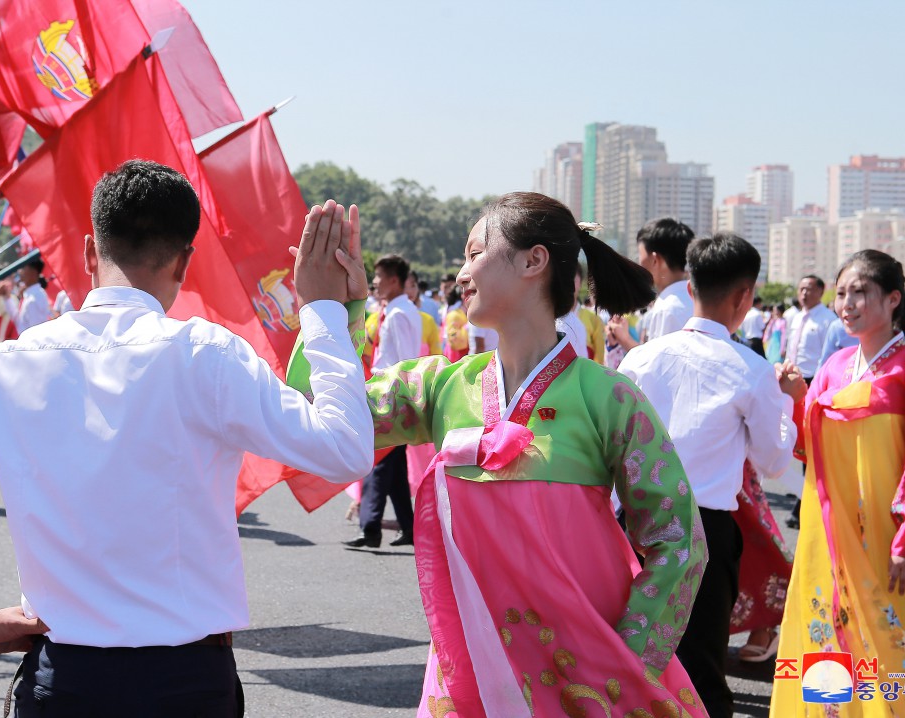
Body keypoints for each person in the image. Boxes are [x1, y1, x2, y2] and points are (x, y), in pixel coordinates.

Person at [0, 161, 373, 717]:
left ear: (90, 253)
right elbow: (344, 449)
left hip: (64, 677)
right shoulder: (209, 355)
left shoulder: (0, 367)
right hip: (185, 680)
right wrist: (323, 311)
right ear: (184, 261)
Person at [289, 192, 710, 717]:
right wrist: (334, 311)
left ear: (533, 261)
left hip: (587, 679)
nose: (460, 273)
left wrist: (624, 662)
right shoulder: (442, 387)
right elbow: (321, 412)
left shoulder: (608, 397)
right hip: (473, 674)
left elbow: (678, 541)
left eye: (473, 253)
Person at [619, 233, 803, 718]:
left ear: (692, 284)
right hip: (704, 527)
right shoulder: (751, 369)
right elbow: (774, 462)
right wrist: (787, 400)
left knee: (628, 653)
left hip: (635, 518)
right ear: (745, 296)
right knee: (700, 665)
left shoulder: (641, 357)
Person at [770, 250, 905, 717]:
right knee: (834, 632)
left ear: (894, 298)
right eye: (842, 294)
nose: (847, 304)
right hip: (836, 535)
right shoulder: (834, 367)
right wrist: (800, 400)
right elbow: (810, 450)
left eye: (860, 292)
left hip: (893, 534)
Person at [345, 254, 422, 549]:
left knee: (377, 460)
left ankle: (371, 526)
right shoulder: (397, 310)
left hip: (391, 393)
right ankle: (408, 525)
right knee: (393, 465)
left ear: (393, 280)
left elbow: (405, 360)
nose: (375, 282)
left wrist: (399, 398)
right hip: (389, 389)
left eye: (378, 277)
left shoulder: (400, 314)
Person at [785, 276, 837, 528]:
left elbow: (829, 359)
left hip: (812, 383)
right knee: (788, 441)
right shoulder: (793, 316)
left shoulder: (828, 320)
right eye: (801, 287)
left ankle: (804, 506)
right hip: (789, 380)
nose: (804, 293)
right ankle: (799, 498)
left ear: (821, 291)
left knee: (809, 445)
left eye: (810, 288)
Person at [635, 217, 695, 340]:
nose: (638, 263)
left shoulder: (667, 309)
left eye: (640, 256)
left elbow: (660, 358)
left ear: (656, 260)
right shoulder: (696, 300)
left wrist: (624, 339)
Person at [7, 257, 52, 334]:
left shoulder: (33, 299)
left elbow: (37, 333)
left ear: (33, 272)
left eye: (23, 268)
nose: (20, 271)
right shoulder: (32, 294)